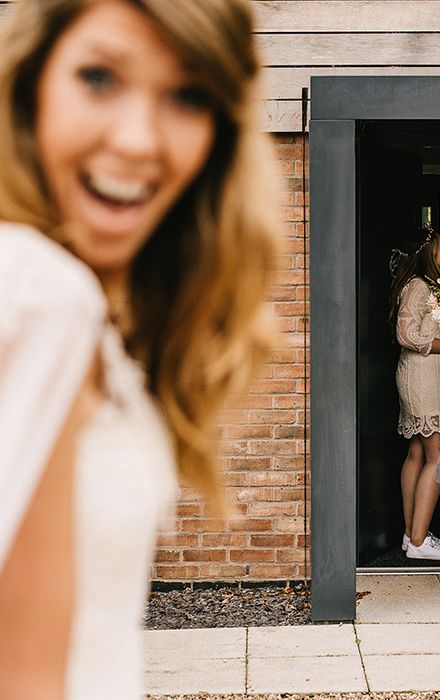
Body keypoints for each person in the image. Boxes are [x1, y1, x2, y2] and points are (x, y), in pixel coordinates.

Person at [0, 1, 278, 698]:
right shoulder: (39, 298)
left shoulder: (86, 312)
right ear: (32, 83)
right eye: (99, 77)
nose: (137, 140)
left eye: (187, 95)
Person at [389, 226, 440, 560]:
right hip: (423, 378)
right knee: (439, 457)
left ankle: (412, 535)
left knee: (418, 454)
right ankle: (420, 542)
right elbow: (406, 335)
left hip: (423, 375)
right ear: (427, 253)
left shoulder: (423, 287)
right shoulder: (418, 286)